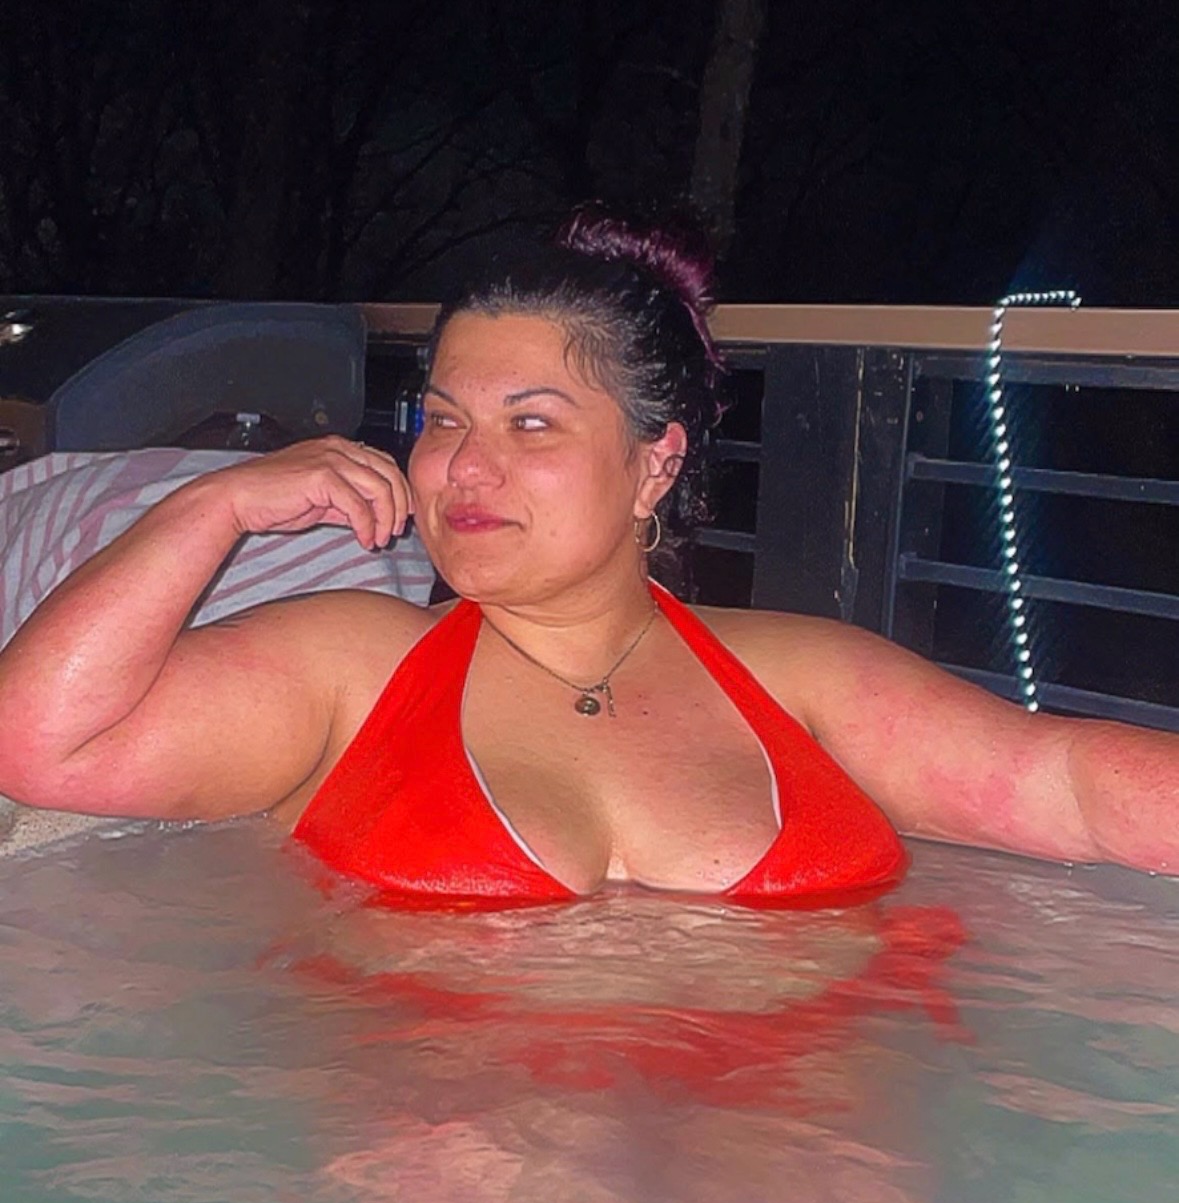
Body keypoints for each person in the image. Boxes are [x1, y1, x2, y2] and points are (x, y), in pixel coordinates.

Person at [0, 206, 1174, 906]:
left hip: (792, 1164)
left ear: (654, 466)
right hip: (470, 1182)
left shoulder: (802, 677)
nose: (463, 466)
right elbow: (46, 744)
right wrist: (209, 508)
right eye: (443, 419)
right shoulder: (352, 669)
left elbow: (1069, 788)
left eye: (531, 423)